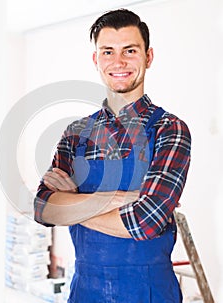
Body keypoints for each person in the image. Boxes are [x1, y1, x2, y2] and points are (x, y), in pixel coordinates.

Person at [34, 8, 191, 303]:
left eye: (129, 50)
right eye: (108, 51)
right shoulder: (76, 133)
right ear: (96, 60)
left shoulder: (170, 130)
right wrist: (120, 199)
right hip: (84, 292)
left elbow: (145, 222)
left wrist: (71, 205)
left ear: (148, 57)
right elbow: (43, 209)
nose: (118, 62)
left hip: (149, 292)